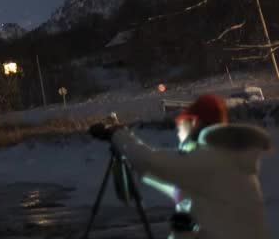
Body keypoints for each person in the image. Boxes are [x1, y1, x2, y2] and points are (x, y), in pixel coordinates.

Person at [90, 94, 272, 239]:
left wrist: (117, 134)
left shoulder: (211, 160)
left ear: (198, 124)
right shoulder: (229, 159)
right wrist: (183, 233)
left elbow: (150, 162)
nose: (182, 131)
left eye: (186, 124)